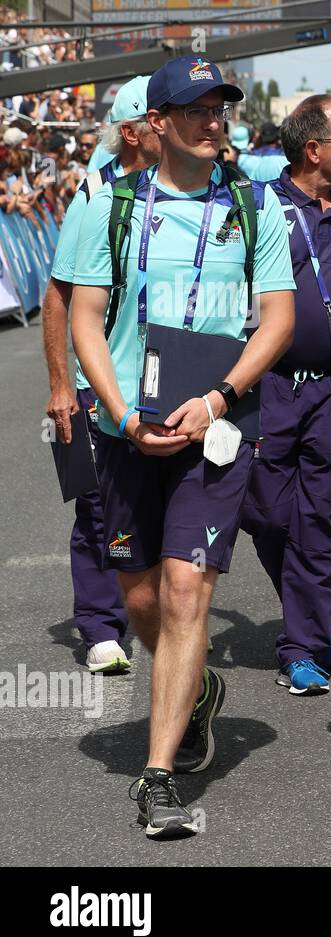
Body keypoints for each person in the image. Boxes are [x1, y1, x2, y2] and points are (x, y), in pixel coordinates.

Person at [69, 56, 296, 838]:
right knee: (139, 598)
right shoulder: (109, 206)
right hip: (126, 429)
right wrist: (121, 412)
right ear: (156, 123)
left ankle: (157, 773)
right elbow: (84, 319)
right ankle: (193, 688)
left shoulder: (256, 207)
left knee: (187, 587)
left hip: (219, 429)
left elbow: (276, 319)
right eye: (196, 110)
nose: (214, 121)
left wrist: (219, 398)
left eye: (221, 108)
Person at [238, 94, 331, 695]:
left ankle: (302, 644)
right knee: (263, 510)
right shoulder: (257, 208)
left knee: (324, 516)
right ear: (314, 148)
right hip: (265, 388)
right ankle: (314, 621)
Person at [42, 74, 158, 676]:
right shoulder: (95, 195)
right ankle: (100, 626)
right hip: (100, 383)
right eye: (166, 116)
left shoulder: (204, 193)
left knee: (166, 508)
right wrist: (63, 386)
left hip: (171, 381)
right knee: (98, 510)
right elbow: (59, 294)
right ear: (137, 132)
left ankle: (165, 621)